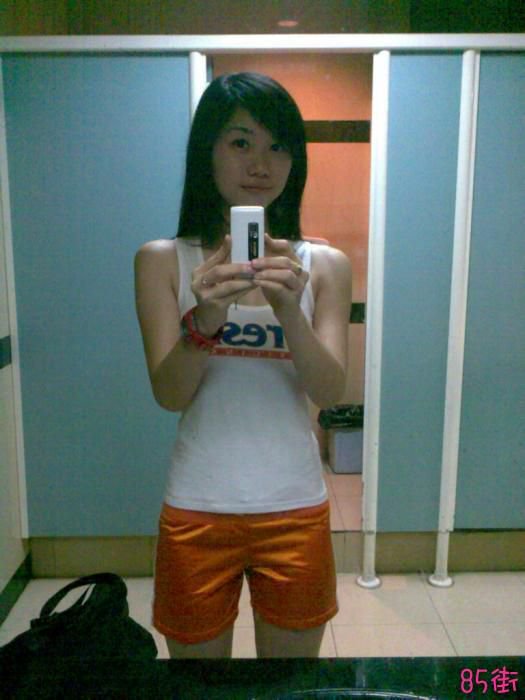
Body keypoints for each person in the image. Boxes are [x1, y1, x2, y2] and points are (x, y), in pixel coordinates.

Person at [134, 72, 352, 659]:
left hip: (295, 506)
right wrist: (205, 318)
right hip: (197, 506)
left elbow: (329, 391)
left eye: (278, 146)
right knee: (199, 689)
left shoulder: (324, 266)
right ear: (207, 152)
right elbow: (170, 395)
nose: (261, 164)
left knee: (289, 687)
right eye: (240, 142)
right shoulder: (162, 261)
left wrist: (289, 311)